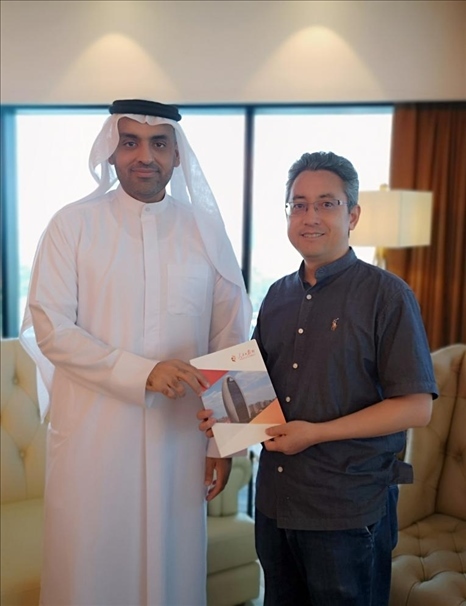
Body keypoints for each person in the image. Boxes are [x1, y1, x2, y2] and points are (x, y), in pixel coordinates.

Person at [20, 98, 252, 606]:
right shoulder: (71, 226)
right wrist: (142, 373)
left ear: (176, 154)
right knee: (90, 572)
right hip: (94, 443)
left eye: (158, 143)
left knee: (172, 573)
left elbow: (232, 336)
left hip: (178, 442)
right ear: (111, 149)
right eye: (130, 142)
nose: (145, 156)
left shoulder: (205, 231)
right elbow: (51, 327)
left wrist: (227, 443)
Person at [199, 151, 438, 606]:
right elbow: (251, 387)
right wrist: (222, 427)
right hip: (275, 502)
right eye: (299, 204)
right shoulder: (277, 295)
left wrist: (316, 434)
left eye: (327, 204)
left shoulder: (388, 295)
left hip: (346, 510)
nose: (310, 217)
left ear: (353, 215)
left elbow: (416, 407)